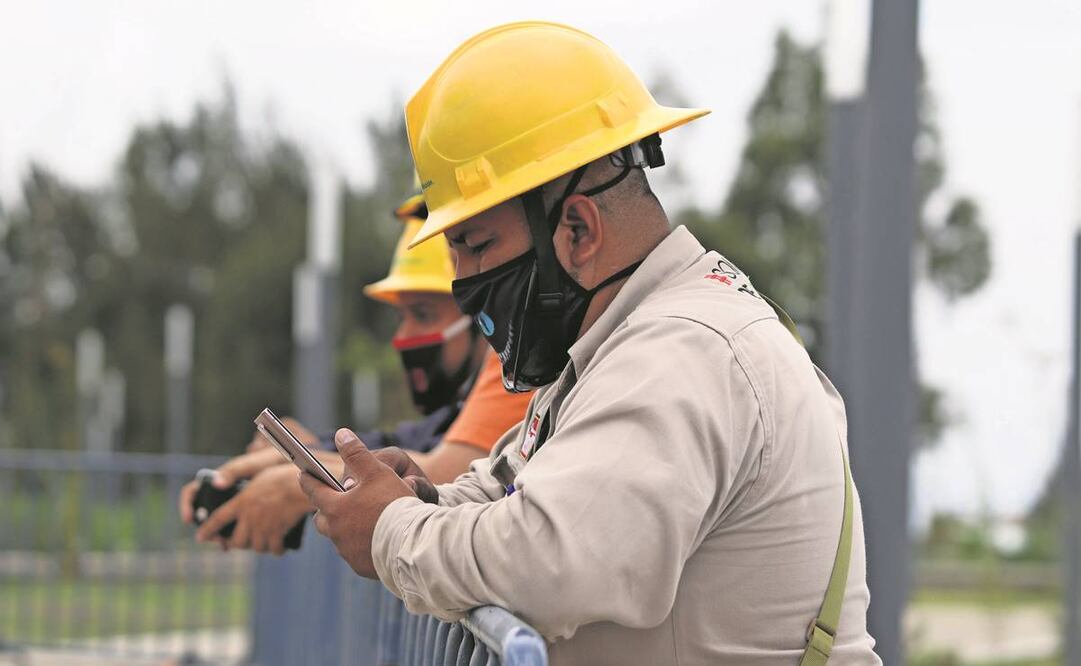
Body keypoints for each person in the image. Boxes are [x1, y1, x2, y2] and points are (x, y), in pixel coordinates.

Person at [300, 22, 881, 665]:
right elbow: (516, 488)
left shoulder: (682, 356)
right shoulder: (621, 350)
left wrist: (389, 532)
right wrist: (422, 500)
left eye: (476, 245)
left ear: (576, 229)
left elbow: (544, 562)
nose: (463, 283)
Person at [177, 195, 532, 554]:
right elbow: (420, 439)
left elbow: (443, 473)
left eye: (423, 314)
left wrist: (297, 483)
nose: (403, 337)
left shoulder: (521, 357)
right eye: (400, 317)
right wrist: (315, 450)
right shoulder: (503, 368)